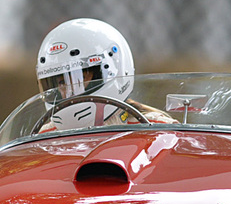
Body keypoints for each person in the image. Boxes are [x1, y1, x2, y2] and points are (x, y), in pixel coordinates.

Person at [35, 17, 173, 131]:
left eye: (80, 79)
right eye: (61, 82)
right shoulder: (44, 136)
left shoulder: (156, 129)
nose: (68, 92)